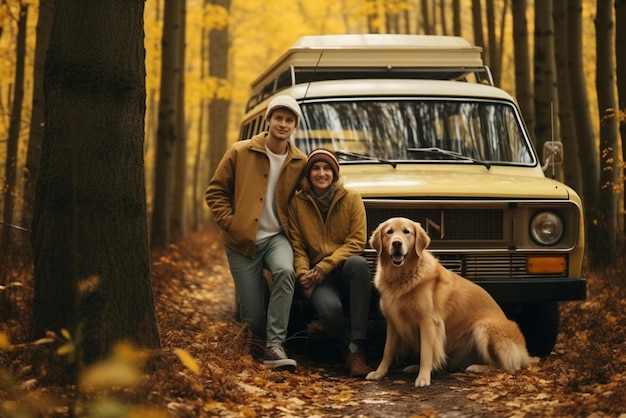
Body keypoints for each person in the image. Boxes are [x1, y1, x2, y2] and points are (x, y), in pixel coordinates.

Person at [205, 95, 307, 371]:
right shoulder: (239, 151)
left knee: (286, 272)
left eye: (289, 120)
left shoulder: (300, 161)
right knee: (252, 316)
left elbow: (309, 195)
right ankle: (261, 346)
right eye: (278, 118)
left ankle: (275, 345)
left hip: (277, 238)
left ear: (295, 125)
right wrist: (232, 222)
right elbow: (215, 192)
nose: (283, 124)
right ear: (269, 120)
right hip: (241, 241)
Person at [288, 148, 374, 377]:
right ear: (308, 174)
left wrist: (325, 267)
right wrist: (303, 274)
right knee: (329, 311)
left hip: (343, 270)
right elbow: (297, 245)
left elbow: (357, 242)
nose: (321, 173)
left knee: (358, 264)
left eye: (327, 168)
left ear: (335, 174)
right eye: (316, 168)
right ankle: (347, 344)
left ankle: (357, 348)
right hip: (317, 277)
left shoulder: (352, 198)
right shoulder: (297, 204)